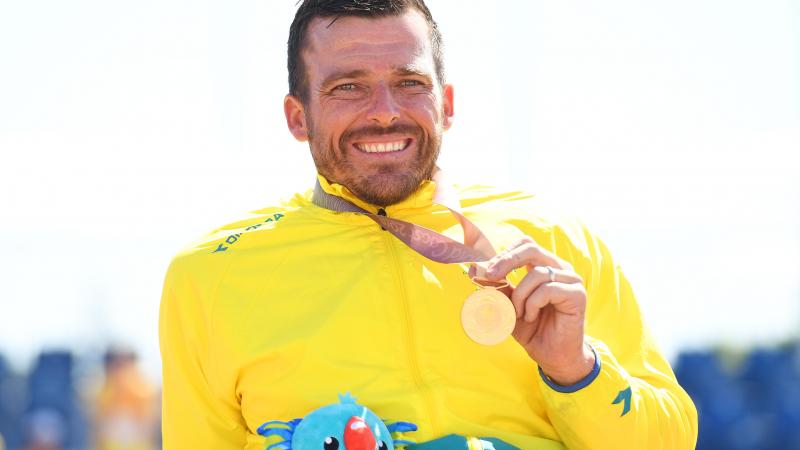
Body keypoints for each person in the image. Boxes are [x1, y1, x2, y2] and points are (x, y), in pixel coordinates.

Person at [159, 1, 698, 449]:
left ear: (447, 103)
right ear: (298, 117)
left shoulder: (555, 241)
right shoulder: (210, 277)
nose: (384, 111)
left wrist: (576, 371)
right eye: (348, 87)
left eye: (409, 82)